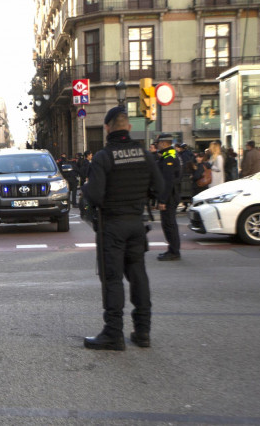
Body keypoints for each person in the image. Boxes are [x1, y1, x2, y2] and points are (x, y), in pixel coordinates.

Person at [82, 106, 163, 351]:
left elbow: (94, 195)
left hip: (112, 225)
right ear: (128, 127)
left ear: (107, 128)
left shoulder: (103, 157)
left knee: (113, 278)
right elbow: (159, 188)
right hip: (137, 224)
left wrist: (86, 189)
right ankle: (143, 331)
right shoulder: (144, 154)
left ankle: (113, 333)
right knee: (138, 275)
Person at [156, 138, 181, 261]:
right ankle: (172, 249)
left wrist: (162, 200)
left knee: (169, 224)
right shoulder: (169, 155)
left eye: (159, 143)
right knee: (169, 223)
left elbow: (168, 181)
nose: (157, 145)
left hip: (170, 196)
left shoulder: (169, 157)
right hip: (171, 195)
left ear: (164, 143)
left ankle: (174, 251)